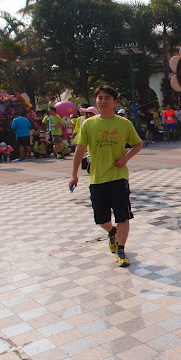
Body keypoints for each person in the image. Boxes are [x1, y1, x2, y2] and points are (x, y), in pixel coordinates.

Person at [70, 86, 143, 267]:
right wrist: (73, 174)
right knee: (101, 219)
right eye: (100, 98)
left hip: (118, 177)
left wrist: (125, 158)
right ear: (96, 101)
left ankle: (121, 249)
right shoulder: (88, 124)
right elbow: (80, 149)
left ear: (114, 101)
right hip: (97, 178)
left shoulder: (124, 123)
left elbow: (138, 144)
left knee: (123, 216)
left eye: (107, 98)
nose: (103, 101)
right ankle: (112, 233)